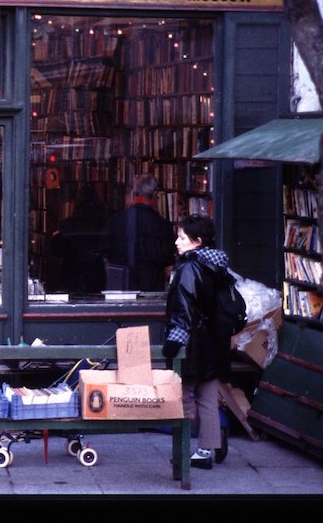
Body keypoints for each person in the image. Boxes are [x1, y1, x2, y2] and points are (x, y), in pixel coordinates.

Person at [162, 214, 232, 470]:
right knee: (207, 396)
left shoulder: (189, 267)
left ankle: (189, 446)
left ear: (197, 241)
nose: (177, 242)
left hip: (192, 342)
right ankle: (208, 446)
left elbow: (184, 308)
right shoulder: (217, 266)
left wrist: (174, 341)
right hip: (214, 340)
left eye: (182, 238)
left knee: (180, 395)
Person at [98, 173, 176, 291]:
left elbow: (104, 255)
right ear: (154, 195)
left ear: (133, 194)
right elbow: (169, 265)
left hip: (119, 285)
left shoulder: (115, 221)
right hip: (151, 287)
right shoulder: (162, 225)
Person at [51, 184, 107, 294]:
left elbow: (58, 251)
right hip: (95, 274)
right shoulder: (102, 224)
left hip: (72, 273)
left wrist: (56, 237)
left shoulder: (68, 225)